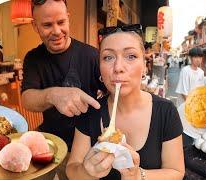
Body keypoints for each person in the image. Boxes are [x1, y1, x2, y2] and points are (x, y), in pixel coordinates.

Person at [66, 24, 185, 180]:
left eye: (131, 56)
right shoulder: (90, 112)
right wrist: (86, 172)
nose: (118, 67)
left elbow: (176, 172)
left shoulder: (166, 111)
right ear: (100, 69)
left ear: (144, 66)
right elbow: (71, 170)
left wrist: (138, 176)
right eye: (108, 57)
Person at [21, 0, 104, 178]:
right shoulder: (33, 58)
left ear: (68, 18)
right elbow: (27, 98)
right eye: (47, 25)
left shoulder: (91, 55)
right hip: (52, 144)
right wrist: (53, 94)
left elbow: (111, 93)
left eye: (61, 22)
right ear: (35, 26)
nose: (57, 31)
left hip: (87, 149)